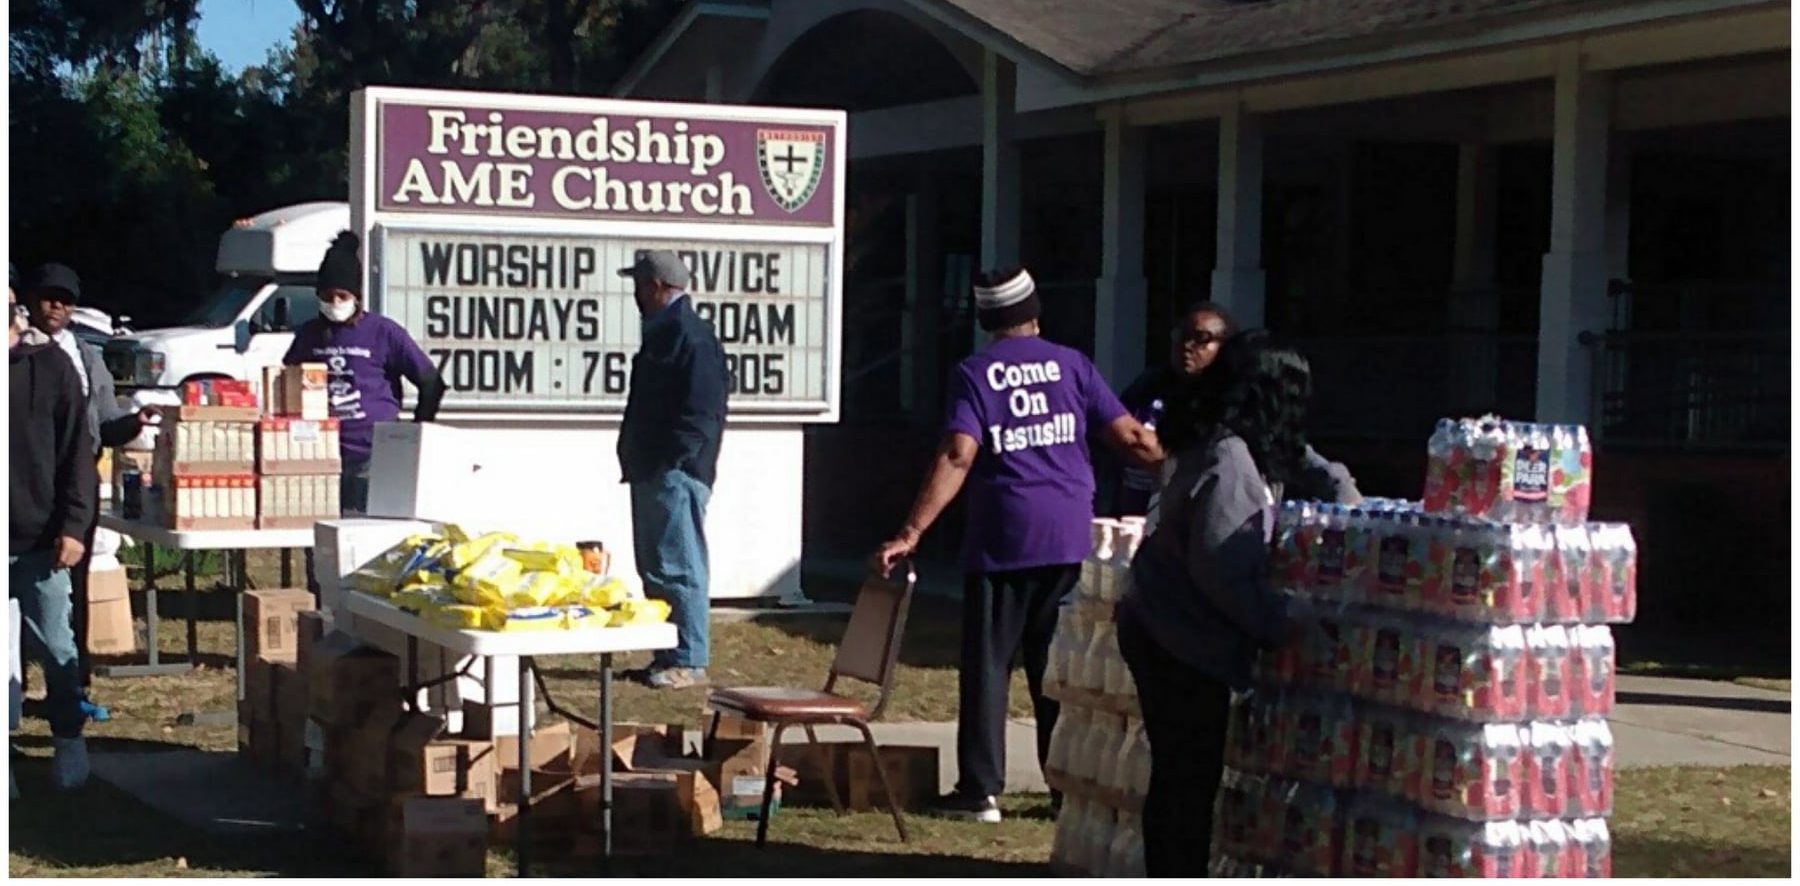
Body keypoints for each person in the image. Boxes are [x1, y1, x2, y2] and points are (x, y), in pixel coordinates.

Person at [873, 267, 1164, 823]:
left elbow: (958, 454)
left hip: (1004, 538)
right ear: (1035, 309)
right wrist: (1187, 470)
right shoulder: (1073, 365)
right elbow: (1130, 436)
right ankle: (1064, 787)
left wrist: (911, 532)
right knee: (1055, 669)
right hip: (1070, 536)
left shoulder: (975, 373)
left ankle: (980, 789)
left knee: (989, 665)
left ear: (986, 319)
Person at [1117, 333, 1356, 875]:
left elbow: (1304, 460)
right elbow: (1219, 569)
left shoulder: (1220, 435)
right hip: (1176, 636)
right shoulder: (1229, 462)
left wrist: (1349, 499)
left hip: (1157, 620)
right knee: (1187, 780)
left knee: (1177, 775)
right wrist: (1281, 624)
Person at [23, 263, 156, 717]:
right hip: (27, 486)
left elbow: (103, 423)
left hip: (76, 484)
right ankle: (15, 689)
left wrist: (133, 422)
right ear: (31, 301)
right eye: (48, 298)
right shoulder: (18, 353)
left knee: (71, 590)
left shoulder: (85, 356)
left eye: (65, 300)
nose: (55, 307)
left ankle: (73, 687)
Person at [615, 250, 729, 691]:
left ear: (658, 287)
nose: (636, 294)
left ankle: (688, 659)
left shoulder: (691, 336)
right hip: (652, 466)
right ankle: (667, 652)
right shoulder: (664, 333)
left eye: (640, 285)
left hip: (674, 471)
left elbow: (702, 410)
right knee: (657, 566)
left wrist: (674, 460)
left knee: (679, 565)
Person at [283, 232, 446, 514]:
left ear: (356, 297)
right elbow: (287, 383)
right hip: (322, 454)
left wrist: (416, 433)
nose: (335, 303)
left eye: (342, 296)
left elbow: (431, 382)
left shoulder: (383, 331)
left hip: (372, 455)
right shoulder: (309, 335)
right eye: (327, 296)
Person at [10, 283, 99, 794]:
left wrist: (74, 526)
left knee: (57, 646)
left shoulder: (51, 368)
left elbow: (77, 455)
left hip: (40, 538)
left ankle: (68, 739)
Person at [1109, 302, 1236, 516]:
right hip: (1130, 510)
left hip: (1188, 514)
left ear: (1225, 347)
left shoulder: (1230, 397)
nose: (1187, 345)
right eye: (1181, 335)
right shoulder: (1147, 386)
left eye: (1201, 338)